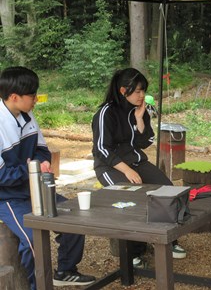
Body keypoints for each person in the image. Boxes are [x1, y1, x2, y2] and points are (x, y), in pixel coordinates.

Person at [0, 66, 96, 289]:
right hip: (8, 198)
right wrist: (29, 169)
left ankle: (66, 270)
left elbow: (43, 150)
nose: (36, 99)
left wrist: (38, 164)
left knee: (73, 218)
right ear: (14, 97)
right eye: (32, 95)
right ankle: (38, 286)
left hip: (35, 187)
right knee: (34, 240)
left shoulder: (27, 115)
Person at [91, 68, 187, 267]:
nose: (141, 95)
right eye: (137, 91)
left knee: (168, 192)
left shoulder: (139, 110)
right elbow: (101, 149)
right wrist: (126, 170)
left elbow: (146, 141)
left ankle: (167, 240)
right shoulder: (105, 113)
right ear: (123, 90)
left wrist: (140, 119)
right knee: (130, 200)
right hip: (110, 167)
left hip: (137, 161)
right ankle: (132, 253)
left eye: (143, 90)